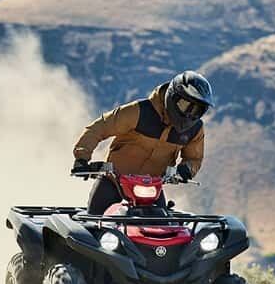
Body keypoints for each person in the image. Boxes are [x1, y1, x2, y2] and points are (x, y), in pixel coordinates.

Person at [72, 70, 214, 214]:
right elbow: (100, 127)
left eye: (197, 110)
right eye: (186, 105)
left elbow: (194, 158)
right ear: (172, 96)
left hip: (151, 190)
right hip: (113, 182)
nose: (190, 114)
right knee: (94, 224)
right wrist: (81, 157)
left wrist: (187, 169)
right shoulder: (139, 111)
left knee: (162, 231)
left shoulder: (195, 129)